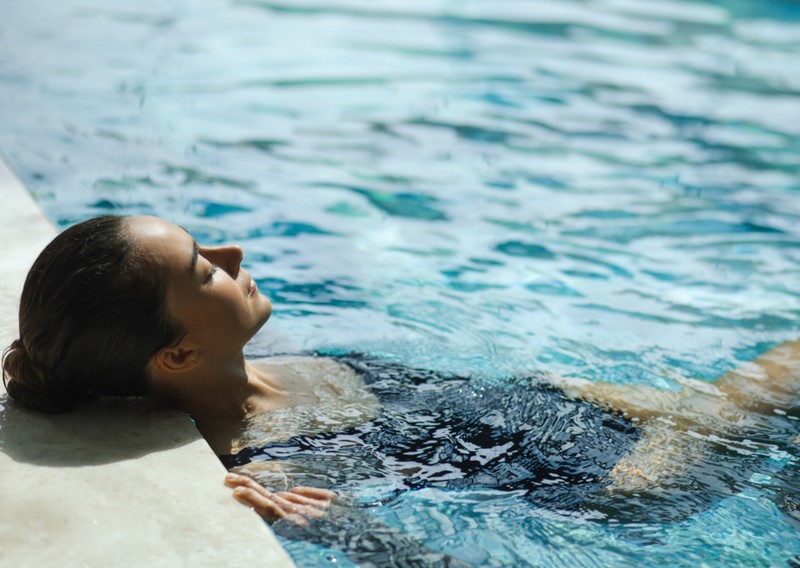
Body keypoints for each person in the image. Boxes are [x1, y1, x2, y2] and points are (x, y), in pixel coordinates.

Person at [3, 216, 799, 559]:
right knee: (774, 379)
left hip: (565, 407)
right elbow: (421, 563)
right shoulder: (272, 464)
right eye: (203, 268)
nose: (234, 251)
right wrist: (347, 530)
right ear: (175, 356)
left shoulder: (271, 366)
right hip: (623, 484)